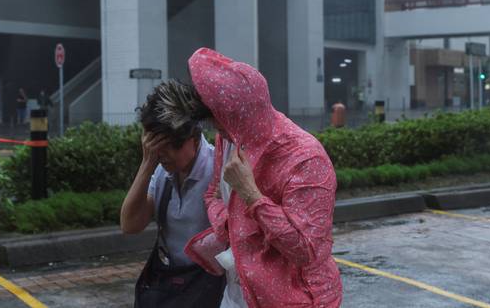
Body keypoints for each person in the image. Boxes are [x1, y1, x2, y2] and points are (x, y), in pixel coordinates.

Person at [184, 48, 343, 308]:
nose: (218, 131)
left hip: (296, 300)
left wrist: (250, 195)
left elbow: (306, 250)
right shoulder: (228, 139)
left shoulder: (305, 158)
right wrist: (231, 225)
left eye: (221, 122)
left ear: (241, 115)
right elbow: (212, 193)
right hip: (239, 292)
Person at [120, 80, 224, 308]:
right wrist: (147, 164)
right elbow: (130, 224)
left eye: (170, 146)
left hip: (208, 287)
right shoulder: (161, 172)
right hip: (171, 281)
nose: (162, 154)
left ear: (194, 139)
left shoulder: (218, 171)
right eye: (156, 146)